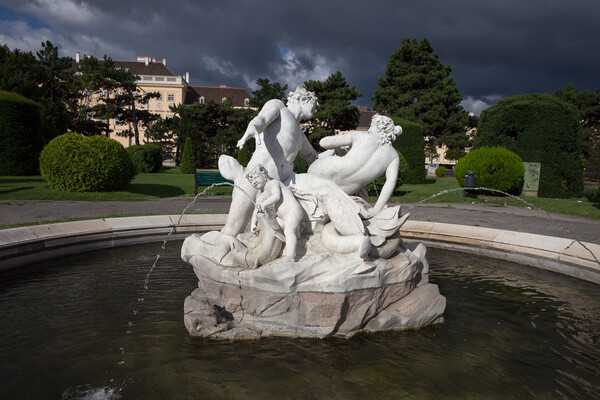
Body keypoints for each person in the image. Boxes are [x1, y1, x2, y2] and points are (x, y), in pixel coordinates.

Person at [220, 87, 318, 237]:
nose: (316, 109)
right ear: (304, 99)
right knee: (232, 228)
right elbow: (262, 119)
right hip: (253, 181)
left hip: (276, 190)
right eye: (315, 104)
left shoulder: (301, 135)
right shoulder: (279, 106)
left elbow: (313, 158)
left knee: (269, 235)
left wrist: (337, 155)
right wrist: (253, 128)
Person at [307, 114, 402, 214]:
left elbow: (324, 142)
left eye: (372, 126)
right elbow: (390, 183)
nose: (369, 129)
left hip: (320, 170)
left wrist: (342, 144)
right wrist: (376, 210)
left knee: (335, 150)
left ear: (378, 128)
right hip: (343, 190)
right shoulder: (394, 156)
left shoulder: (362, 136)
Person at [246, 165, 304, 261]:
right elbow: (257, 208)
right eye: (251, 181)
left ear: (264, 175)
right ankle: (296, 238)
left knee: (289, 230)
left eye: (256, 178)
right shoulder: (260, 193)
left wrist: (263, 204)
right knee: (275, 228)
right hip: (282, 217)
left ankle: (290, 256)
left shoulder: (273, 183)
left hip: (292, 211)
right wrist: (253, 223)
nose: (254, 182)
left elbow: (276, 196)